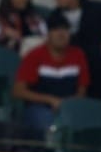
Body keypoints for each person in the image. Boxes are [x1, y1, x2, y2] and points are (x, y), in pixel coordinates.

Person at [12, 12, 89, 141]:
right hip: (40, 107)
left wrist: (69, 104)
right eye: (56, 30)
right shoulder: (35, 56)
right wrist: (50, 100)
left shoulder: (78, 55)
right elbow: (18, 91)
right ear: (48, 34)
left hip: (70, 107)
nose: (61, 34)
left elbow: (82, 89)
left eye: (65, 30)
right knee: (46, 122)